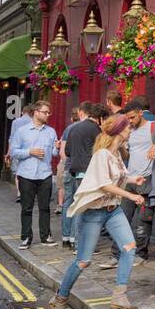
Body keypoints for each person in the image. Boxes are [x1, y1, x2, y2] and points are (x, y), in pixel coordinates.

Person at [49, 114, 147, 309]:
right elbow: (103, 184)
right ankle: (60, 299)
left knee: (129, 249)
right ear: (119, 130)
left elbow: (116, 177)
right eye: (128, 127)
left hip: (113, 210)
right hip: (94, 213)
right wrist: (131, 194)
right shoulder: (102, 154)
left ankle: (119, 297)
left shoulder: (117, 154)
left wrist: (131, 179)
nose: (130, 129)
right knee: (83, 261)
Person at [110, 97, 155, 267]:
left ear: (141, 114)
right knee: (121, 217)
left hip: (147, 179)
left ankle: (140, 254)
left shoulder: (154, 127)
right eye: (127, 118)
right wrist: (121, 146)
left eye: (132, 118)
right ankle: (116, 254)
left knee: (143, 220)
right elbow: (129, 156)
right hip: (130, 180)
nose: (130, 121)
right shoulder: (129, 131)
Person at [9, 101, 58, 248]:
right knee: (26, 208)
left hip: (45, 174)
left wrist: (57, 148)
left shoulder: (51, 132)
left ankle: (45, 236)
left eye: (49, 112)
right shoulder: (22, 131)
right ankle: (26, 237)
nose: (47, 115)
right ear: (36, 112)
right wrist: (30, 152)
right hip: (26, 175)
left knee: (45, 207)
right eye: (45, 112)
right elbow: (13, 152)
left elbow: (54, 154)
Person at [59, 103, 102, 250]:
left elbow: (68, 151)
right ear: (99, 118)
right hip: (90, 173)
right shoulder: (95, 129)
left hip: (76, 172)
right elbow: (101, 151)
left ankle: (72, 239)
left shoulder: (74, 128)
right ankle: (79, 243)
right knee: (86, 208)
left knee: (76, 205)